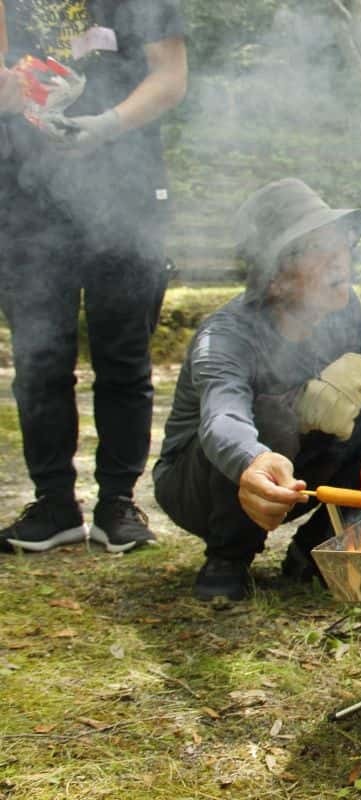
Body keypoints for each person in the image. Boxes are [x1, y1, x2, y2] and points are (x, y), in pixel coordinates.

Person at [153, 179, 361, 602]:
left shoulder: (343, 308)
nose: (337, 259)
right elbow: (223, 418)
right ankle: (228, 557)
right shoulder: (226, 337)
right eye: (315, 248)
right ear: (275, 278)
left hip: (293, 477)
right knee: (273, 416)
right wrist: (253, 459)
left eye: (339, 241)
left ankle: (320, 551)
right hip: (204, 483)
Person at [0, 0, 187, 553]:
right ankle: (54, 503)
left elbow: (171, 75)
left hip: (126, 191)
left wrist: (106, 124)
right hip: (25, 193)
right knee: (39, 360)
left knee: (124, 353)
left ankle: (118, 504)